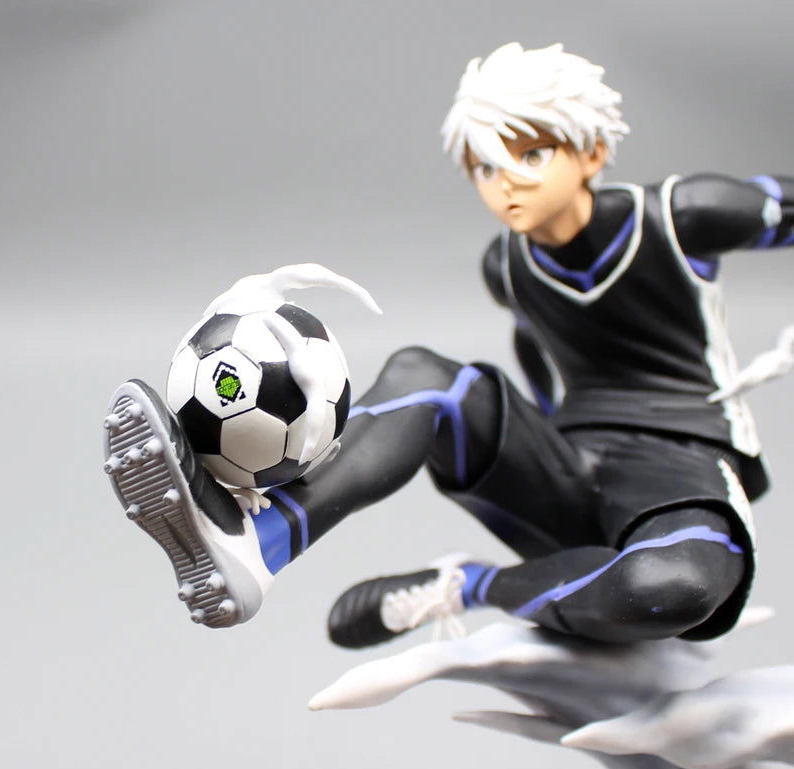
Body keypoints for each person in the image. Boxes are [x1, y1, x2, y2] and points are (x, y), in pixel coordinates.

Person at [104, 42, 793, 646]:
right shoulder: (508, 267)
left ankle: (468, 586)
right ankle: (260, 540)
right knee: (425, 376)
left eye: (533, 154)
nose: (508, 181)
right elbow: (540, 363)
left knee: (673, 588)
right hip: (572, 468)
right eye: (487, 168)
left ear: (592, 153)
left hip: (681, 465)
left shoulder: (680, 216)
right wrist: (534, 447)